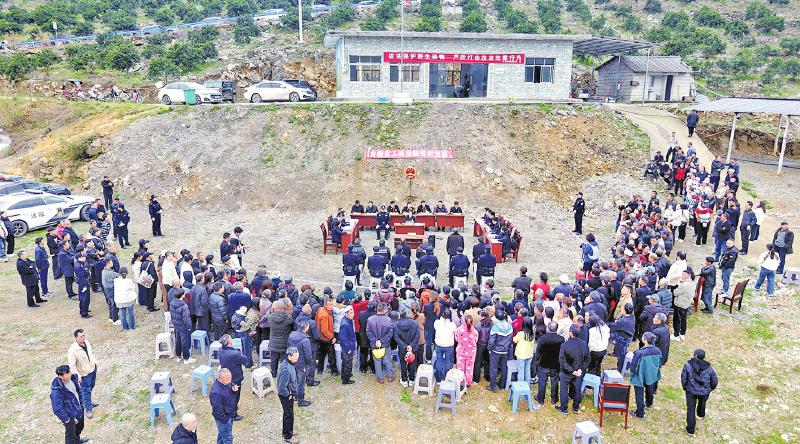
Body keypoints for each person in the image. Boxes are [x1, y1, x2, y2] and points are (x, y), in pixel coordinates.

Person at [681, 349, 718, 436]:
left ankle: (690, 430)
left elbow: (684, 378)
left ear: (694, 355)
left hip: (690, 391)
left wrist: (685, 387)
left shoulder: (688, 365)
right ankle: (700, 415)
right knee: (702, 403)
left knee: (690, 409)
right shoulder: (709, 368)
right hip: (704, 392)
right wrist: (709, 389)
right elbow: (714, 381)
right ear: (704, 357)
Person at [555, 325, 590, 415]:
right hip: (578, 372)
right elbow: (587, 359)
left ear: (570, 333)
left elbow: (562, 361)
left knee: (564, 389)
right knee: (577, 389)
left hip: (567, 372)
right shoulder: (584, 344)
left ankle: (564, 408)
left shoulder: (564, 345)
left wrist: (573, 371)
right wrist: (580, 369)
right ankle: (575, 408)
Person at [50, 364, 88, 444]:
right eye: (66, 374)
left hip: (79, 409)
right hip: (69, 416)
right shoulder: (57, 390)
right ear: (60, 376)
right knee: (70, 435)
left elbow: (78, 391)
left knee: (79, 427)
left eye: (69, 372)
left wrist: (82, 403)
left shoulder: (73, 379)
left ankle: (77, 441)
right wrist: (67, 419)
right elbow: (57, 409)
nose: (69, 374)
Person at [629, 332, 662, 419]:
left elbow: (634, 366)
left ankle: (640, 413)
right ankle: (649, 403)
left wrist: (631, 374)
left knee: (639, 393)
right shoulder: (658, 351)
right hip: (651, 374)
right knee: (650, 388)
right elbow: (660, 363)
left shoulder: (639, 353)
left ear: (645, 340)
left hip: (640, 375)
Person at [67, 329, 98, 419]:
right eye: (81, 336)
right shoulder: (72, 350)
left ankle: (87, 402)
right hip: (84, 374)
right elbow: (72, 366)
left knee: (91, 386)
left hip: (92, 369)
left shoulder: (86, 342)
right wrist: (78, 376)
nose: (83, 338)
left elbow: (90, 354)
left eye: (84, 335)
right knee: (86, 391)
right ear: (76, 338)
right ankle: (88, 409)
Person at [535, 321, 564, 406]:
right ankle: (554, 399)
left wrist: (537, 361)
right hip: (555, 364)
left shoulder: (543, 338)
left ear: (548, 327)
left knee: (542, 381)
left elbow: (538, 351)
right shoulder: (561, 339)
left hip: (544, 363)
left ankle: (540, 398)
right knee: (554, 381)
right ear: (557, 328)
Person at [366, 302, 395, 383]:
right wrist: (381, 341)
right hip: (385, 344)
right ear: (384, 309)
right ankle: (390, 376)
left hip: (374, 344)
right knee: (387, 360)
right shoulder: (388, 320)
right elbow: (390, 333)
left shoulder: (370, 319)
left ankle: (380, 378)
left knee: (377, 362)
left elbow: (368, 332)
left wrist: (376, 340)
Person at [277, 347, 300, 444]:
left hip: (288, 394)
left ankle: (286, 431)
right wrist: (288, 394)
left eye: (297, 355)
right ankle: (287, 436)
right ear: (289, 357)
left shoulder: (289, 363)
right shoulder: (286, 368)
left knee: (287, 414)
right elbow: (282, 387)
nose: (297, 357)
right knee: (289, 415)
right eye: (295, 356)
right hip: (286, 396)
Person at [486, 309, 512, 392]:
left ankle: (493, 386)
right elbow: (510, 339)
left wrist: (489, 349)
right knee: (504, 368)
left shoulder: (495, 327)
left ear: (496, 318)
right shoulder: (509, 326)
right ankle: (502, 385)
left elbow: (491, 341)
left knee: (493, 368)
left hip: (495, 351)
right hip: (505, 351)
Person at [209, 368, 238, 444]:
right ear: (220, 379)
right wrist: (225, 420)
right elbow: (217, 410)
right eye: (228, 378)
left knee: (221, 435)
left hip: (230, 414)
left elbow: (231, 385)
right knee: (227, 439)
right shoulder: (215, 393)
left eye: (230, 377)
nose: (230, 380)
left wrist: (234, 389)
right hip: (224, 419)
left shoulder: (226, 383)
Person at [394, 306, 420, 387]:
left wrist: (405, 346)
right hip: (413, 347)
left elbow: (396, 338)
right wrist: (411, 346)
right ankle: (411, 380)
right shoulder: (414, 323)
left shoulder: (396, 324)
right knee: (412, 362)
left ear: (399, 315)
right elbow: (417, 335)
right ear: (407, 314)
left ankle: (404, 380)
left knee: (403, 363)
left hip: (402, 348)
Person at [170, 289, 196, 365]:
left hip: (176, 325)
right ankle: (186, 358)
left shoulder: (172, 303)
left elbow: (172, 315)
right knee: (185, 342)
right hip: (183, 326)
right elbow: (186, 319)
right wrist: (189, 326)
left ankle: (178, 355)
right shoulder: (184, 306)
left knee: (178, 340)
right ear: (182, 295)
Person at [454, 313, 479, 387]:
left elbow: (456, 339)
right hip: (471, 353)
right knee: (469, 368)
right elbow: (476, 340)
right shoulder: (475, 331)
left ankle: (461, 382)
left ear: (464, 321)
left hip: (461, 351)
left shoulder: (459, 330)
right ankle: (468, 383)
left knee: (460, 367)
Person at [315, 297, 338, 376]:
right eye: (330, 305)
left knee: (321, 354)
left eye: (332, 304)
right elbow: (324, 330)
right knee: (331, 355)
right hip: (326, 338)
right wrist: (332, 337)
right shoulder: (325, 315)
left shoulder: (320, 309)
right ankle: (334, 371)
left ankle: (320, 370)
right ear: (325, 305)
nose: (331, 306)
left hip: (321, 338)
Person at [609, 303, 635, 372]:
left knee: (620, 355)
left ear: (625, 310)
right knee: (623, 352)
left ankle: (619, 370)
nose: (621, 310)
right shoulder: (632, 316)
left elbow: (614, 326)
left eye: (622, 309)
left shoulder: (623, 321)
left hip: (622, 339)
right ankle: (621, 367)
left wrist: (616, 321)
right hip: (628, 338)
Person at [433, 308, 457, 382]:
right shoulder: (452, 325)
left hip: (439, 344)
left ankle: (438, 379)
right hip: (449, 345)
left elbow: (435, 328)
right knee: (448, 361)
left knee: (439, 361)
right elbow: (455, 332)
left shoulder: (437, 322)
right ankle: (447, 378)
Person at [513, 317, 535, 385]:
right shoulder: (533, 334)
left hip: (521, 355)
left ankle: (521, 385)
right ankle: (527, 385)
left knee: (521, 371)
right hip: (529, 354)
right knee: (527, 370)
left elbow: (514, 340)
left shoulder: (520, 334)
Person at [673, 270, 694, 341]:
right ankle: (682, 334)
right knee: (683, 319)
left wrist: (678, 286)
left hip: (680, 304)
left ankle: (676, 335)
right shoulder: (692, 283)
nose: (682, 276)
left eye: (684, 275)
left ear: (689, 276)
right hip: (686, 304)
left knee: (677, 320)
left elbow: (675, 293)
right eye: (682, 274)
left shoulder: (684, 285)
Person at [339, 306, 357, 385]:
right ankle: (346, 380)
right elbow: (342, 338)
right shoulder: (345, 324)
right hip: (347, 347)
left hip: (349, 344)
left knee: (346, 362)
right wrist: (348, 348)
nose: (352, 314)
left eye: (353, 312)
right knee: (348, 363)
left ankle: (344, 375)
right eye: (350, 313)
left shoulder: (347, 320)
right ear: (346, 313)